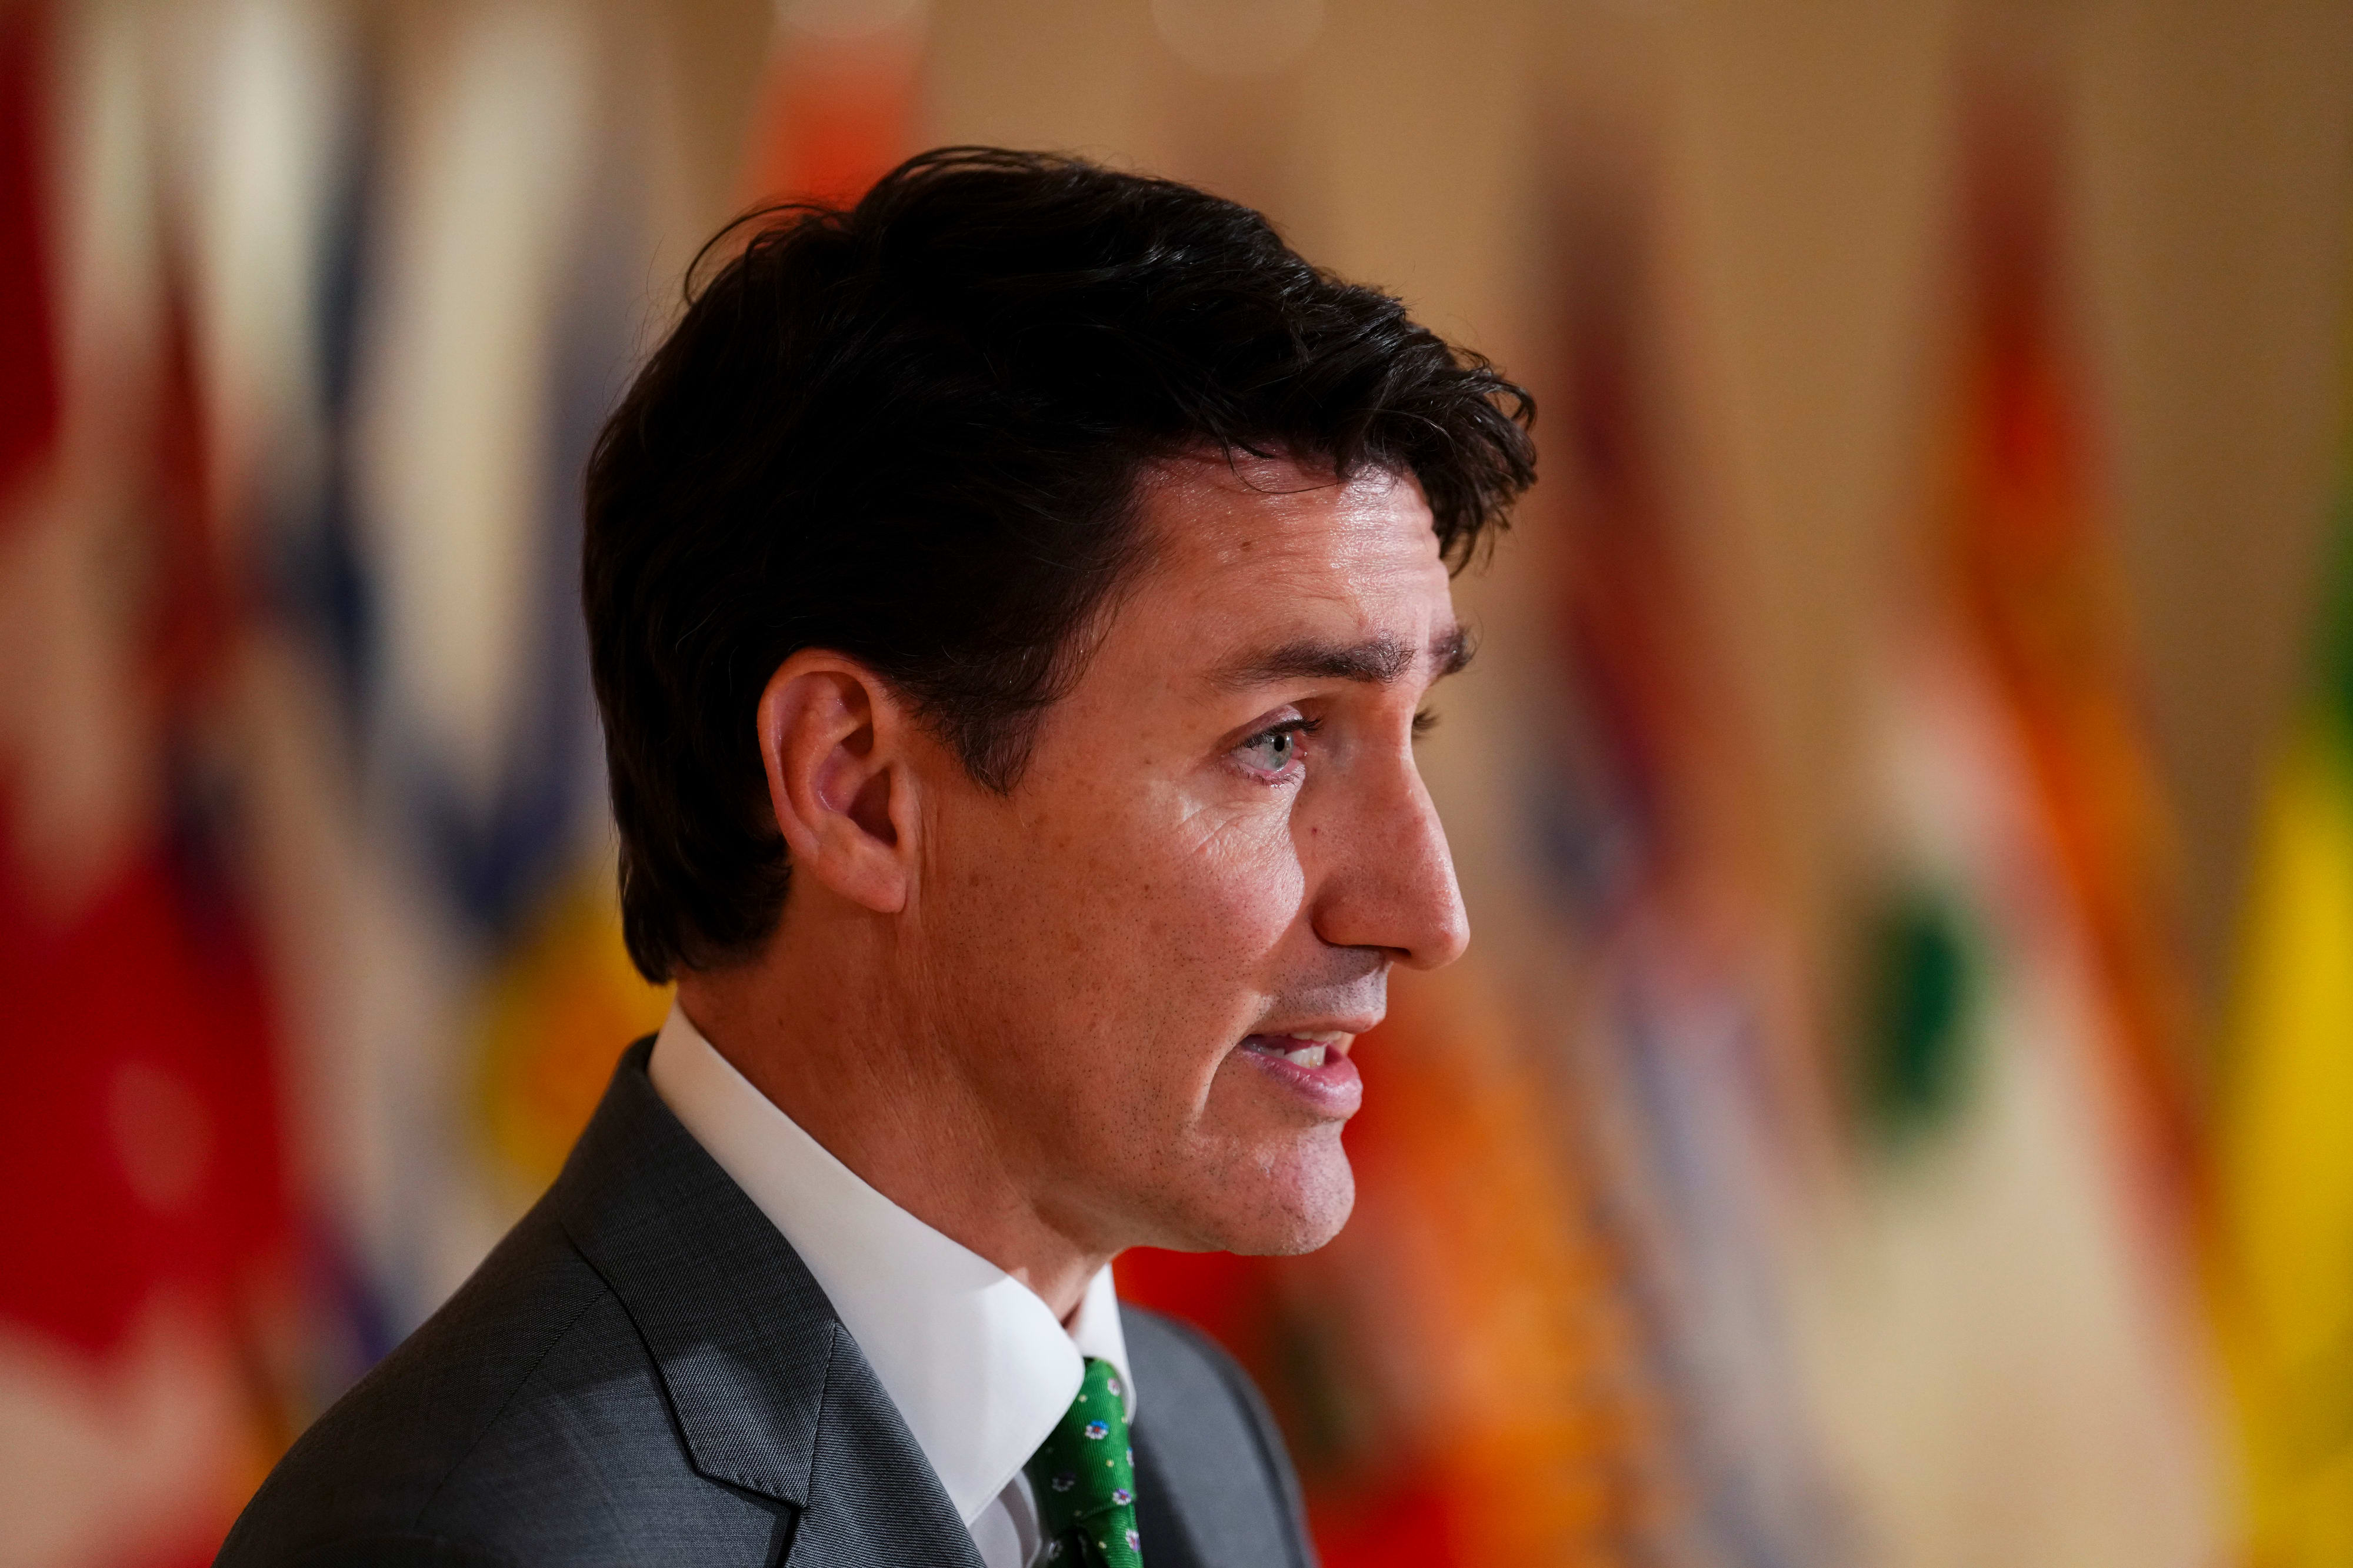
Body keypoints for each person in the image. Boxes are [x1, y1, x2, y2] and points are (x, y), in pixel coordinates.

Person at [219, 147, 1535, 1568]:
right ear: (854, 788)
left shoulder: (1208, 1439)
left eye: (1413, 727)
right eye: (1278, 739)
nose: (1427, 911)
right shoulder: (469, 1541)